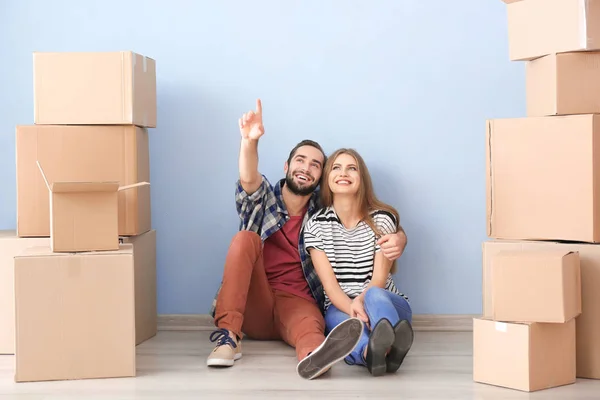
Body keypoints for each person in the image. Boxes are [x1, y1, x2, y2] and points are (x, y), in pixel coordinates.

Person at [207, 99, 408, 379]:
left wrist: (400, 236)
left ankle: (316, 357)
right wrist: (249, 142)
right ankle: (228, 336)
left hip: (298, 301)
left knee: (311, 328)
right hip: (256, 300)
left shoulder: (322, 212)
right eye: (300, 160)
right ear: (287, 165)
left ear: (321, 176)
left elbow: (370, 216)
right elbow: (249, 178)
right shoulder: (264, 198)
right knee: (244, 239)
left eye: (315, 165)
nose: (306, 168)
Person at [303, 148, 414, 377]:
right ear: (328, 179)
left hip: (386, 302)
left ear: (361, 179)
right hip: (343, 305)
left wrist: (364, 306)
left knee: (373, 296)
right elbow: (331, 288)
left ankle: (388, 337)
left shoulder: (382, 218)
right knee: (335, 319)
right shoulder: (315, 226)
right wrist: (352, 308)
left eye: (352, 168)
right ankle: (371, 354)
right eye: (336, 167)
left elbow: (378, 281)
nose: (344, 173)